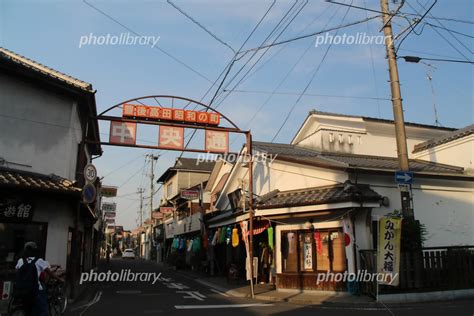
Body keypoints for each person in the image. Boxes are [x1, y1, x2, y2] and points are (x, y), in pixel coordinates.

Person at [15, 241, 64, 316]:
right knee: (43, 311)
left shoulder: (20, 260)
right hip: (36, 290)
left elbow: (17, 273)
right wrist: (60, 279)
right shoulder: (39, 261)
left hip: (23, 290)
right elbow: (50, 274)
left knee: (28, 311)